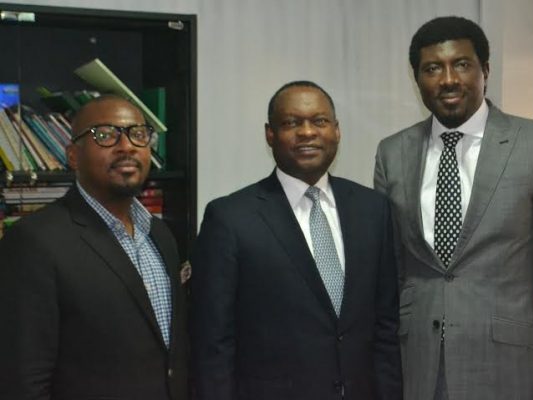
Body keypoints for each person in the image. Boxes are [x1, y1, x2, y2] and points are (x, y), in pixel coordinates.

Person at [374, 16, 533, 400]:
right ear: (417, 78)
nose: (448, 79)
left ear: (485, 70)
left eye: (461, 64)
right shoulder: (392, 153)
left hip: (510, 368)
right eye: (432, 68)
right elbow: (392, 272)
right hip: (417, 366)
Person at [190, 81, 401, 400]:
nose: (307, 132)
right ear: (270, 134)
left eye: (319, 121)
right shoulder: (230, 218)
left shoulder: (373, 209)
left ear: (336, 131)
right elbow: (213, 342)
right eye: (292, 123)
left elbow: (386, 326)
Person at [0, 95, 189, 400]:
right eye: (106, 135)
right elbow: (23, 379)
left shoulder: (161, 234)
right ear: (73, 156)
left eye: (138, 134)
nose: (127, 146)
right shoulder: (34, 241)